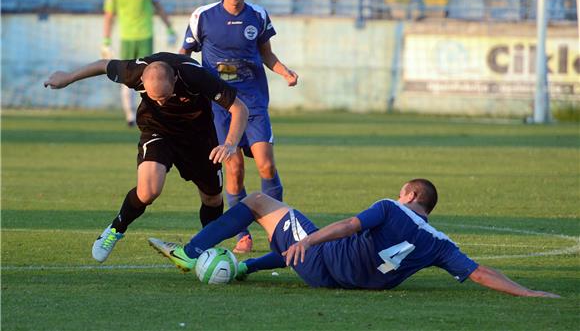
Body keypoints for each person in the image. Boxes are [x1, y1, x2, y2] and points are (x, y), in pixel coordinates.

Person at [148, 179, 560, 297]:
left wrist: (309, 241)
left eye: (403, 191)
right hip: (349, 281)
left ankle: (191, 251)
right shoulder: (440, 244)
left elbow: (347, 226)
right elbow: (479, 273)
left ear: (410, 196)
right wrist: (528, 293)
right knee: (300, 235)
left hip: (319, 265)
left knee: (259, 200)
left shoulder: (391, 206)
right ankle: (245, 267)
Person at [44, 52, 249, 263]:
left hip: (198, 138)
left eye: (165, 97)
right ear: (142, 81)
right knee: (148, 191)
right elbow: (103, 65)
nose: (160, 103)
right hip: (157, 131)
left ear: (175, 80)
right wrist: (68, 77)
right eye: (155, 98)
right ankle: (116, 228)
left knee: (212, 197)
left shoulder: (195, 76)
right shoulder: (134, 71)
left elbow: (240, 108)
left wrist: (230, 143)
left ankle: (206, 247)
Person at [179, 0, 299, 253]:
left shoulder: (257, 15)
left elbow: (267, 55)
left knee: (266, 164)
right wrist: (182, 84)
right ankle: (242, 234)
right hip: (220, 105)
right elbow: (183, 55)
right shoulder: (203, 16)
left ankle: (277, 231)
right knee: (233, 170)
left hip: (254, 101)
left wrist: (285, 72)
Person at [102, 0, 177, 127]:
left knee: (148, 75)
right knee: (125, 76)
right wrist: (105, 40)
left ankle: (147, 112)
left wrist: (169, 28)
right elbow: (109, 15)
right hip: (127, 38)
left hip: (145, 36)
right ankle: (129, 116)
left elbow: (158, 6)